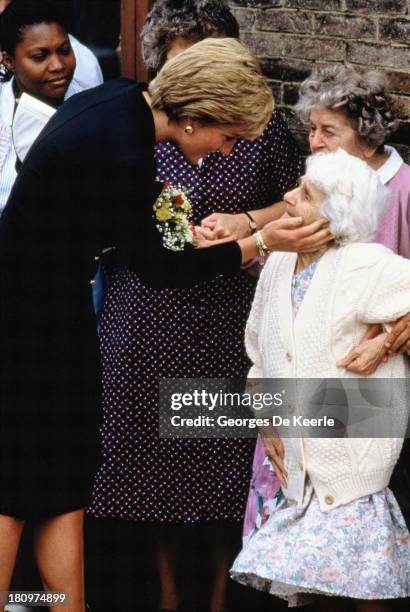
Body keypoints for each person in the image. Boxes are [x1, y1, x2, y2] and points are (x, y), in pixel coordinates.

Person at [0, 36, 330, 612]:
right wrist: (257, 240)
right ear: (197, 116)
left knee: (62, 483)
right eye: (228, 138)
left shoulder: (123, 103)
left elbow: (144, 217)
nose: (228, 152)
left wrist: (190, 233)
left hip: (51, 313)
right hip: (27, 324)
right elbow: (157, 268)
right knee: (16, 485)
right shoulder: (124, 145)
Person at [231, 149, 410, 611]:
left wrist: (387, 341)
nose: (288, 197)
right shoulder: (278, 263)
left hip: (353, 456)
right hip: (298, 460)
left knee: (367, 587)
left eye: (305, 194)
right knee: (308, 582)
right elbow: (259, 353)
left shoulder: (367, 264)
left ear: (334, 214)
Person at [0, 0, 103, 215]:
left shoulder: (95, 109)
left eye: (64, 50)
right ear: (8, 60)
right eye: (40, 57)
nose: (58, 66)